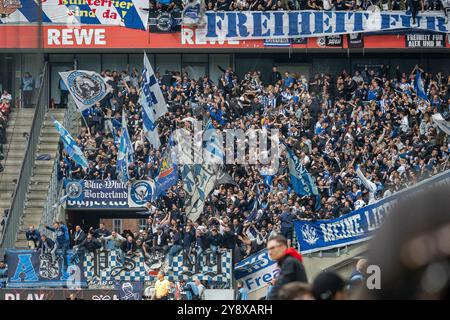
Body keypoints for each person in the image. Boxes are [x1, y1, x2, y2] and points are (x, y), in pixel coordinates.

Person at [266, 235, 308, 300]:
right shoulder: (288, 261)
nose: (270, 252)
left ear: (282, 247)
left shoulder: (289, 262)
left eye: (272, 248)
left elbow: (279, 287)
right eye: (268, 249)